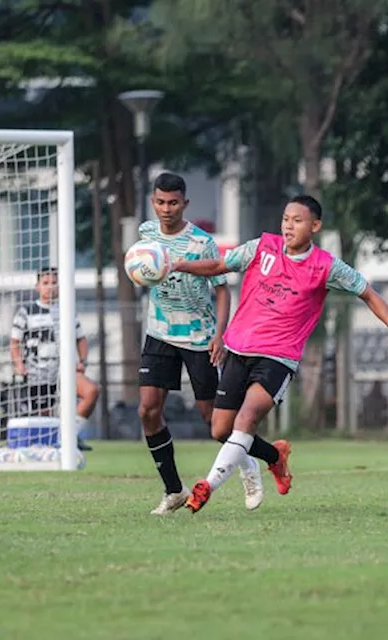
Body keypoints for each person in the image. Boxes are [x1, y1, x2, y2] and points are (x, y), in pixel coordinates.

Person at [172, 195, 388, 513]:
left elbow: (369, 294)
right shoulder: (261, 247)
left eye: (298, 220)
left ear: (315, 226)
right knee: (222, 429)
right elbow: (219, 265)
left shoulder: (326, 266)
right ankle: (274, 457)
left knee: (246, 418)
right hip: (238, 348)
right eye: (286, 219)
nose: (289, 225)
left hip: (278, 356)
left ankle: (206, 486)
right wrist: (179, 265)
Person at [136, 172, 263, 515]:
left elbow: (222, 290)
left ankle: (249, 465)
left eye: (173, 202)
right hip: (159, 333)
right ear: (153, 202)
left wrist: (219, 335)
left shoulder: (202, 242)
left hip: (199, 338)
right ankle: (174, 490)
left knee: (214, 421)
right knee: (148, 410)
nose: (166, 208)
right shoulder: (146, 235)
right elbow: (139, 267)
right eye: (160, 202)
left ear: (185, 203)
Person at [10, 268, 97, 451]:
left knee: (91, 391)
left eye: (54, 282)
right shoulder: (26, 311)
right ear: (37, 287)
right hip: (37, 373)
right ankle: (60, 441)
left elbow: (80, 338)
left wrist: (83, 361)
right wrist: (18, 363)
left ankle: (70, 435)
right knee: (46, 416)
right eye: (46, 283)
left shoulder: (67, 310)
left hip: (65, 370)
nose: (51, 287)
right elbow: (15, 341)